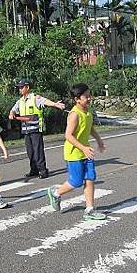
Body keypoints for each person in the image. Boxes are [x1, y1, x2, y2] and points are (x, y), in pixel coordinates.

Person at [46, 83, 107, 221]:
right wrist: (83, 148)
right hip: (74, 154)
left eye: (89, 95)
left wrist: (99, 141)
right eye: (86, 96)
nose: (89, 98)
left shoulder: (88, 111)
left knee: (90, 178)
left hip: (86, 152)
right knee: (76, 182)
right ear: (77, 99)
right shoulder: (74, 114)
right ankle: (55, 193)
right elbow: (68, 135)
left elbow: (90, 128)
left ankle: (90, 210)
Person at [9, 78, 65, 179]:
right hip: (26, 131)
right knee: (30, 151)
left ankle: (42, 170)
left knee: (38, 151)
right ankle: (34, 170)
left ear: (27, 87)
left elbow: (45, 101)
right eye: (19, 88)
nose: (20, 89)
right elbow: (13, 110)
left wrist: (55, 104)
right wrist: (11, 113)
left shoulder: (34, 98)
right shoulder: (20, 101)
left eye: (21, 87)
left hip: (35, 129)